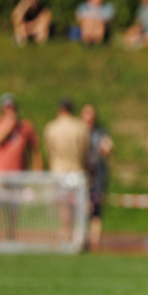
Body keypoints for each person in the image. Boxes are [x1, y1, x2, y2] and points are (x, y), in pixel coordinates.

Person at [0, 93, 42, 239]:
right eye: (7, 108)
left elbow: (35, 149)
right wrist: (8, 124)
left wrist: (38, 171)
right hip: (1, 173)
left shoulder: (25, 127)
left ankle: (11, 232)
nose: (10, 111)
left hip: (18, 173)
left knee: (14, 206)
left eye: (12, 108)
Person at [44, 98, 91, 243]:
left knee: (63, 204)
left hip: (59, 170)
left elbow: (49, 150)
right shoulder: (81, 127)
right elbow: (85, 150)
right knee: (78, 202)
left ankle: (67, 231)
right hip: (76, 169)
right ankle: (80, 231)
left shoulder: (52, 127)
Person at [81, 104, 114, 250]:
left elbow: (108, 146)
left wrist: (105, 148)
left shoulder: (100, 133)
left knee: (96, 207)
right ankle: (80, 236)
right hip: (81, 174)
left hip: (97, 174)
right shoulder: (77, 131)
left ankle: (94, 241)